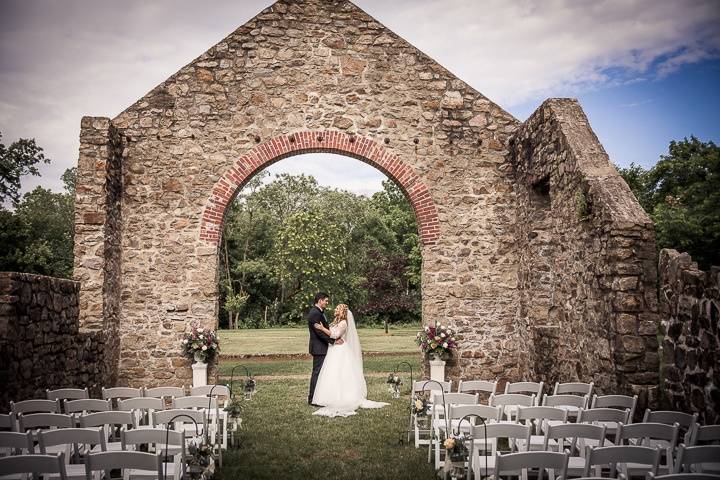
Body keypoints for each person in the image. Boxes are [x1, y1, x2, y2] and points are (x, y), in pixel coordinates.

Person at [311, 303, 388, 417]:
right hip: (334, 349)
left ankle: (343, 396)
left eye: (337, 308)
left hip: (340, 350)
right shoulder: (337, 321)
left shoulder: (343, 323)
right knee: (332, 373)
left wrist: (322, 328)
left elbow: (334, 335)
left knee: (341, 373)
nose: (335, 309)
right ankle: (330, 396)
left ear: (342, 311)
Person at [307, 292, 343, 406]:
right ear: (320, 300)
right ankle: (312, 398)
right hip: (319, 348)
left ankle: (319, 396)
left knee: (321, 373)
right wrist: (333, 341)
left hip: (321, 347)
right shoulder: (315, 313)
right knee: (317, 373)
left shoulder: (320, 312)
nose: (327, 303)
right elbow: (319, 333)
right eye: (326, 301)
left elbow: (325, 329)